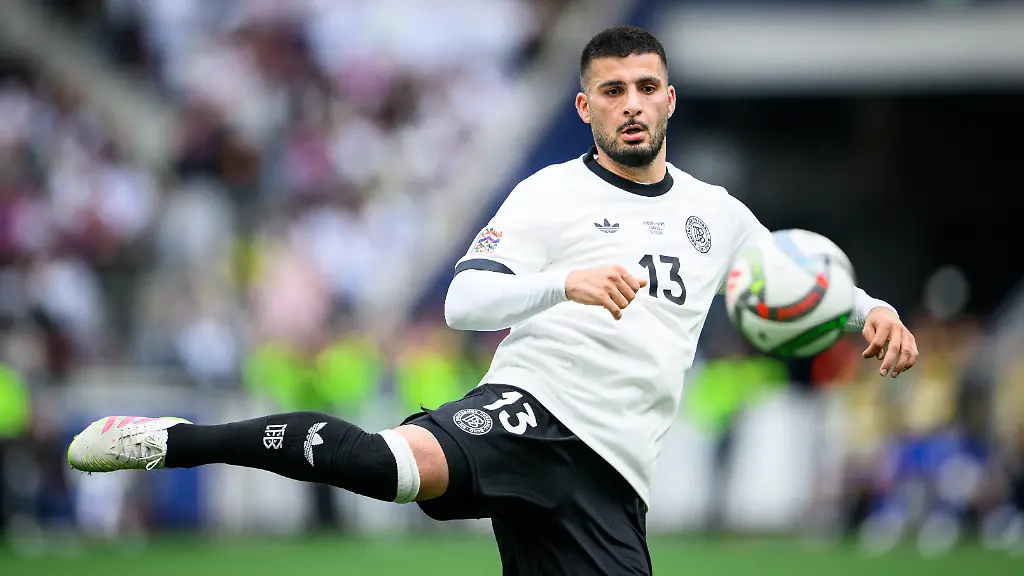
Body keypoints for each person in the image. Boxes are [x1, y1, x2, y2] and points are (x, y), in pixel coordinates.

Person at [68, 26, 919, 575]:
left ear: (669, 99)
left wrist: (868, 310)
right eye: (612, 91)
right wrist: (563, 283)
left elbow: (795, 283)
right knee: (395, 464)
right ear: (584, 105)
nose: (631, 105)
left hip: (614, 475)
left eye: (645, 88)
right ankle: (172, 441)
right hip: (537, 408)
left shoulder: (717, 212)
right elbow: (463, 303)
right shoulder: (548, 193)